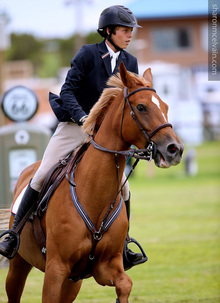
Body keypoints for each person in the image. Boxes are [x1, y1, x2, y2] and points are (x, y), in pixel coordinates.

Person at [0, 5, 145, 266]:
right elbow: (67, 91)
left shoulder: (130, 62)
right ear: (109, 31)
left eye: (131, 31)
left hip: (106, 137)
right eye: (125, 30)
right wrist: (82, 118)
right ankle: (13, 233)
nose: (129, 35)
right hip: (74, 126)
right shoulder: (88, 54)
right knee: (42, 174)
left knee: (124, 189)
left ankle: (123, 244)